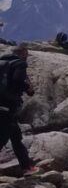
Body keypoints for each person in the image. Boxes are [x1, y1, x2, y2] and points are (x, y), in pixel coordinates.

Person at [0, 45, 39, 175]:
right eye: (26, 54)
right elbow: (17, 81)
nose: (27, 56)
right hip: (8, 105)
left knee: (15, 136)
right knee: (3, 137)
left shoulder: (1, 63)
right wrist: (28, 88)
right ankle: (27, 167)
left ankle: (27, 167)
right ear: (22, 53)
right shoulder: (19, 64)